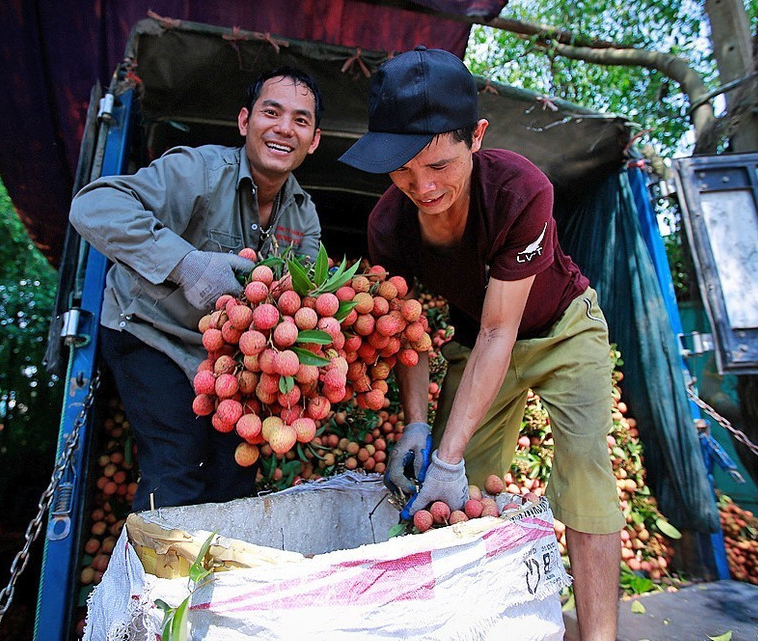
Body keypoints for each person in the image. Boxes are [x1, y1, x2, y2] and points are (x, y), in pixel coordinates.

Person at [339, 47, 623, 640]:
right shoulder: (388, 224)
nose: (421, 186)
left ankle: (600, 636)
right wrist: (418, 426)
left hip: (563, 330)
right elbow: (406, 329)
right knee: (459, 494)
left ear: (477, 137)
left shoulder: (521, 190)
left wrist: (446, 454)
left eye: (439, 164)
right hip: (477, 341)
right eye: (402, 170)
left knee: (583, 470)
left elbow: (504, 328)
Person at [70, 67, 323, 511]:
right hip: (151, 331)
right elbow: (93, 205)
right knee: (179, 462)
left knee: (234, 477)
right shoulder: (199, 170)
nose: (285, 128)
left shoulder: (303, 218)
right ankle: (159, 580)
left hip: (225, 357)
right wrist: (185, 264)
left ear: (314, 139)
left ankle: (217, 578)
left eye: (301, 120)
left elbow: (295, 307)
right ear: (245, 122)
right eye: (272, 112)